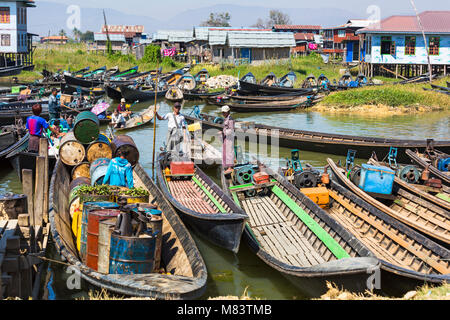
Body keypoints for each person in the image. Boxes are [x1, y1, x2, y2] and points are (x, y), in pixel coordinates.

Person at [220, 105, 235, 173]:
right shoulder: (226, 118)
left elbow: (231, 130)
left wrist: (223, 132)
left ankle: (230, 167)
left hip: (229, 137)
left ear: (228, 112)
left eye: (224, 112)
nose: (223, 114)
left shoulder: (230, 119)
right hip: (225, 137)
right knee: (225, 151)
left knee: (229, 152)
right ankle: (226, 165)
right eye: (222, 112)